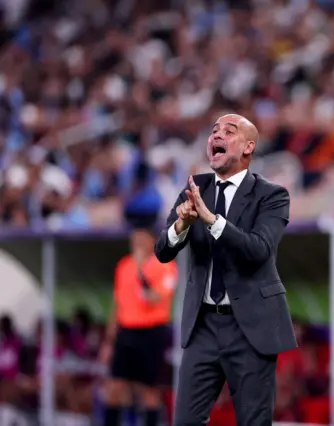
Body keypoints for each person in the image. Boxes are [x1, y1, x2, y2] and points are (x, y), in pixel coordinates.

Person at [154, 114, 297, 426]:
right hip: (202, 326)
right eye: (214, 131)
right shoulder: (195, 189)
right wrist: (182, 224)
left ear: (248, 147)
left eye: (228, 131)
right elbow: (162, 251)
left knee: (253, 422)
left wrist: (211, 220)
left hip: (250, 328)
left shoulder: (271, 195)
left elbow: (258, 250)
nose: (216, 135)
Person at [101, 224, 178, 426]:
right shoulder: (124, 266)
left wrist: (141, 272)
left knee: (148, 389)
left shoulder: (165, 265)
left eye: (141, 240)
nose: (137, 244)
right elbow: (118, 304)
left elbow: (154, 297)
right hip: (126, 332)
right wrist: (109, 341)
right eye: (134, 240)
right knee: (115, 386)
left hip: (152, 332)